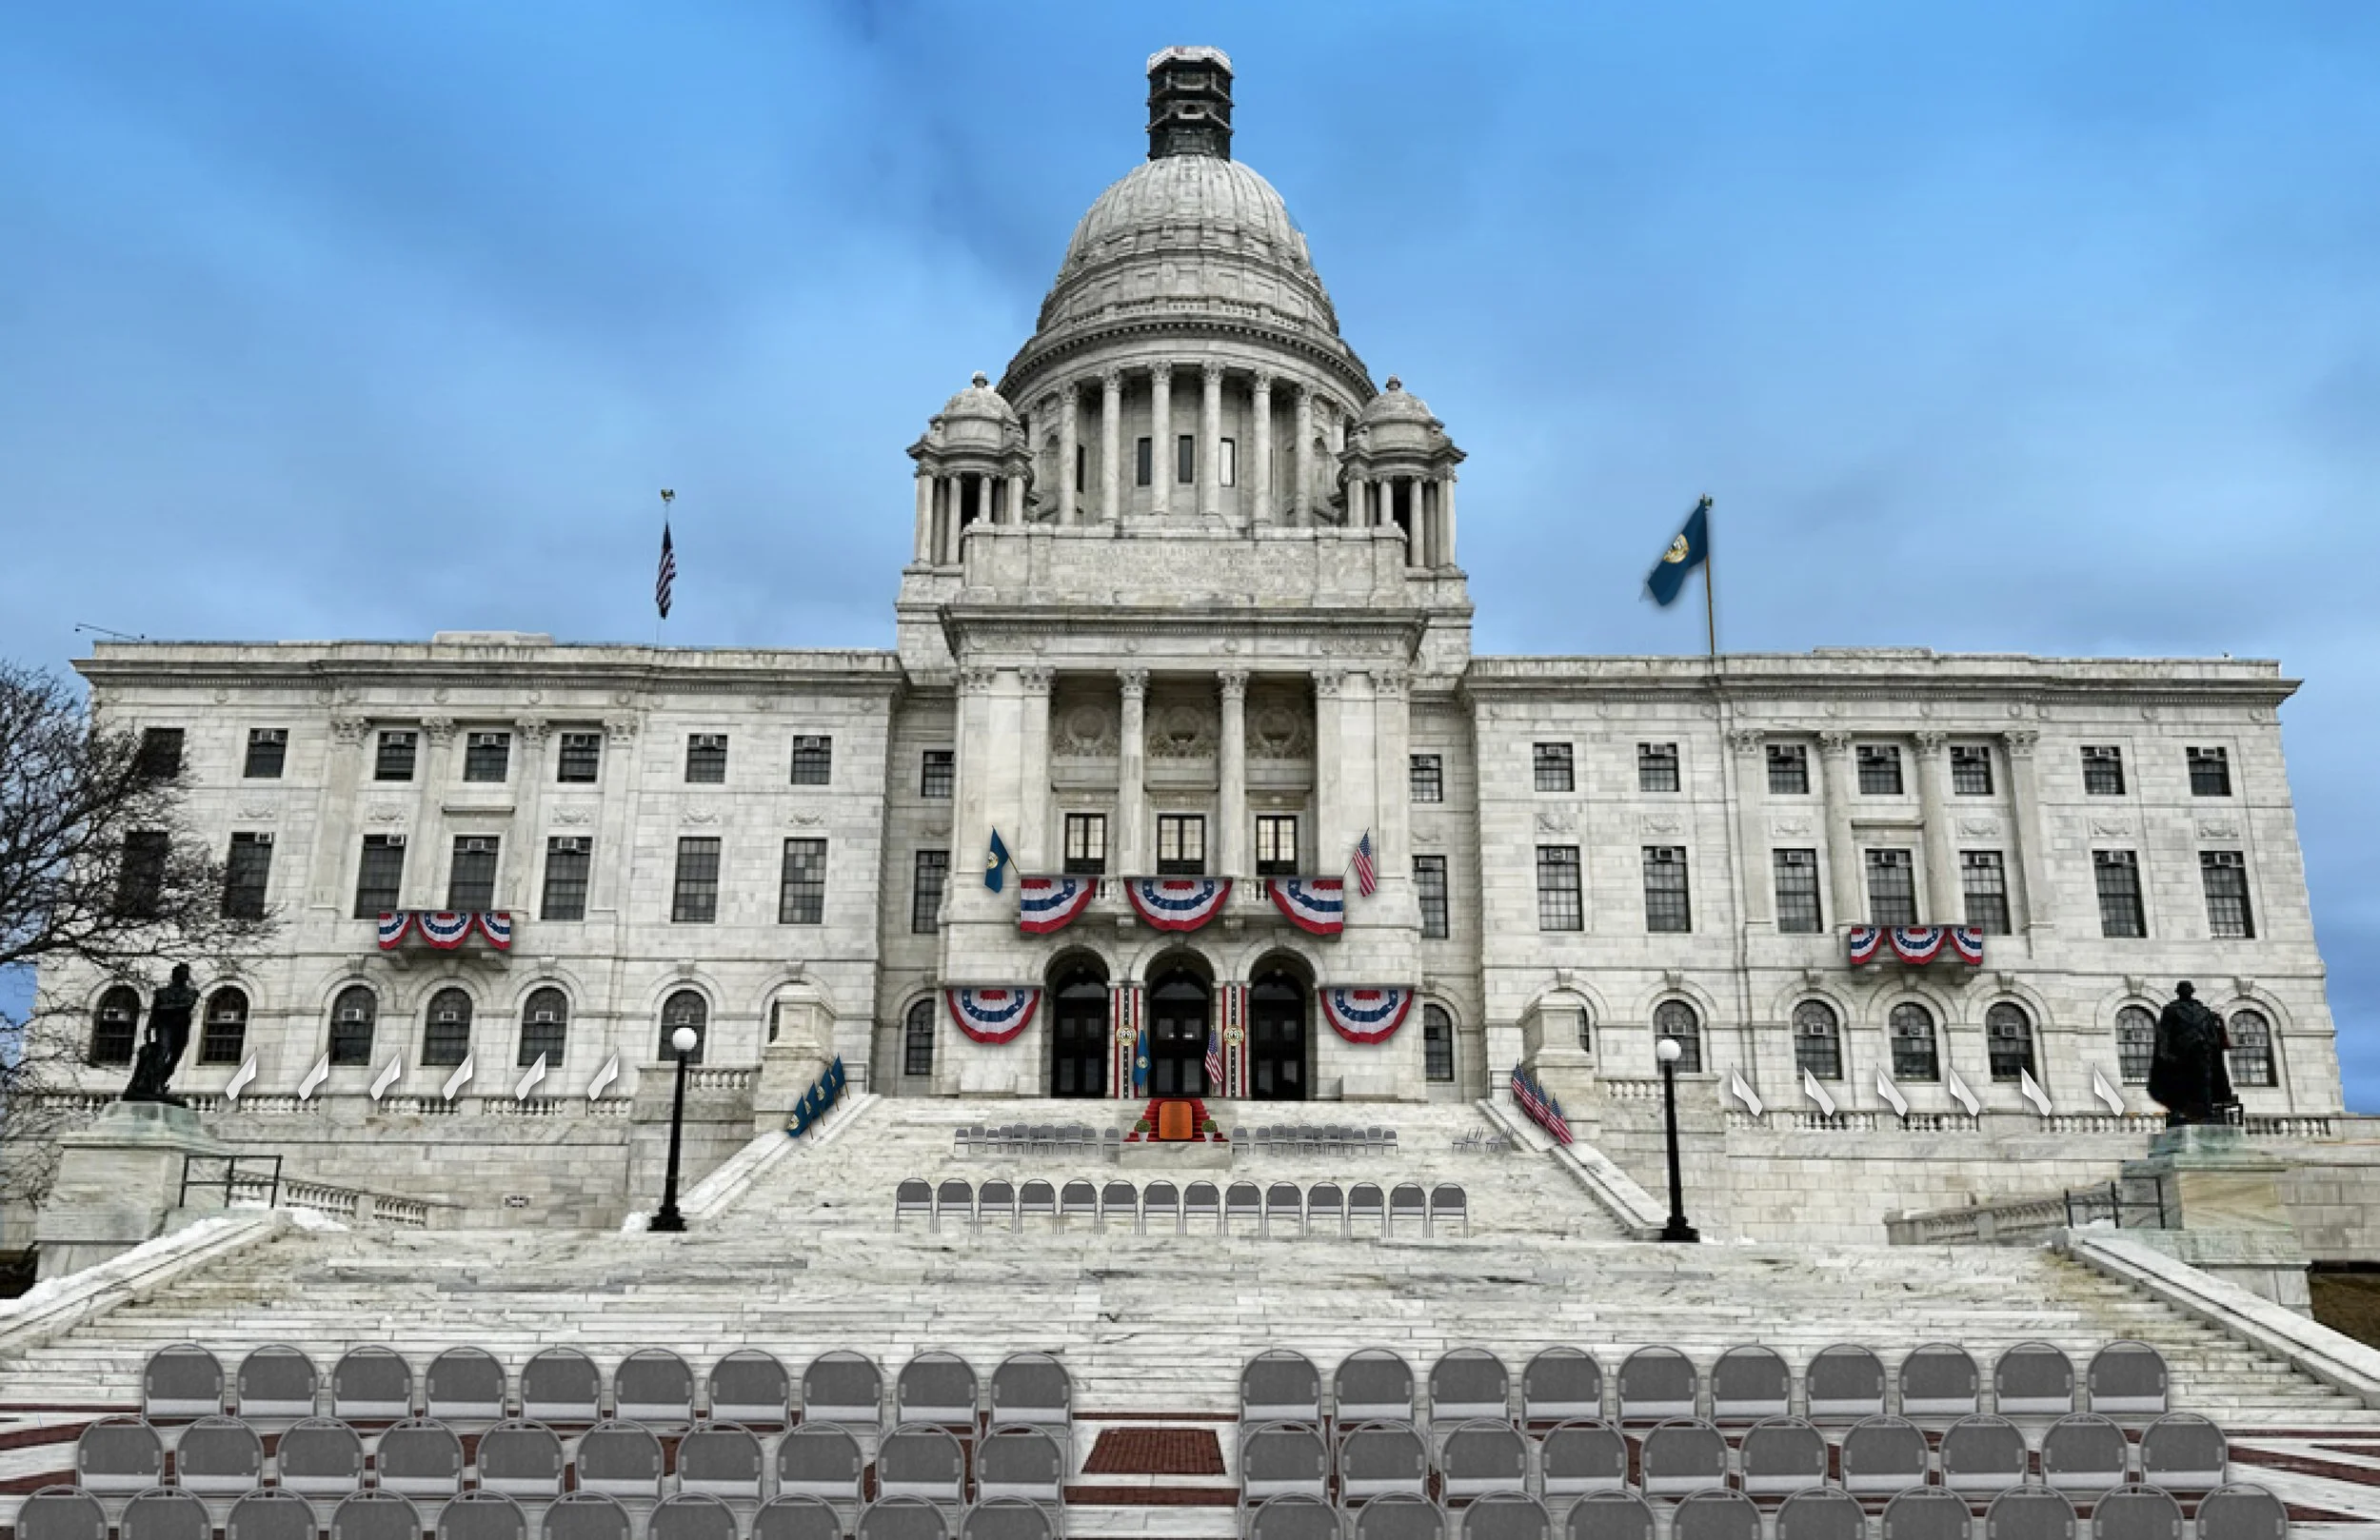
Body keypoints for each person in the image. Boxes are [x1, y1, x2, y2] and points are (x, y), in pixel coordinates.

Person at [2148, 980, 2235, 1128]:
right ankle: (2178, 1110)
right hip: (2180, 1052)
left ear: (2192, 991)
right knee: (2180, 1082)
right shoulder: (2171, 1009)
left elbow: (2211, 1032)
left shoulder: (2203, 1011)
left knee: (2205, 1081)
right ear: (2178, 992)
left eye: (2188, 989)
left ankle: (2206, 1109)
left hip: (2202, 1052)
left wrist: (2212, 1045)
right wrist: (2164, 1052)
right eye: (2183, 989)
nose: (2186, 991)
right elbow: (2164, 1033)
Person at [122, 963, 199, 1105]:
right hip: (165, 1026)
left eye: (186, 973)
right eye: (182, 973)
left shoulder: (192, 993)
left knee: (175, 1058)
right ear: (175, 975)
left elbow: (186, 1006)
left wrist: (166, 1008)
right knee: (162, 1053)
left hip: (181, 1028)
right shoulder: (161, 993)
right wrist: (148, 1028)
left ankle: (161, 1082)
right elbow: (155, 1011)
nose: (185, 976)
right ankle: (156, 1085)